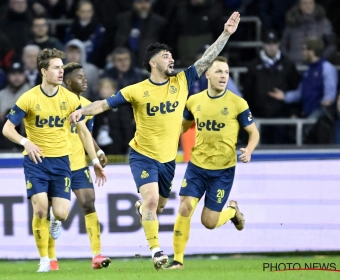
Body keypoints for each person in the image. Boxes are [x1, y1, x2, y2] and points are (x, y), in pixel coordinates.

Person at [69, 12, 241, 270]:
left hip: (168, 161)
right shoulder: (136, 90)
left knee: (156, 208)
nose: (171, 59)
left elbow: (206, 60)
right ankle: (157, 252)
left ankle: (146, 212)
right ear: (152, 63)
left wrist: (226, 34)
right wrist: (82, 110)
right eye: (165, 56)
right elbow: (104, 104)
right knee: (150, 202)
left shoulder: (182, 81)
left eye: (171, 56)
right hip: (142, 155)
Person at [2, 48, 107, 273]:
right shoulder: (28, 98)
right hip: (36, 161)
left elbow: (84, 133)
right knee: (40, 207)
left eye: (62, 67)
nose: (61, 72)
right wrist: (25, 143)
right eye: (57, 68)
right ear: (43, 71)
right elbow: (7, 128)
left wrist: (95, 160)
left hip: (62, 162)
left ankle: (56, 222)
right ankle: (44, 261)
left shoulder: (70, 99)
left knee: (60, 213)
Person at [165, 56, 260, 270]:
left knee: (209, 222)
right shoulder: (194, 100)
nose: (223, 76)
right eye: (218, 72)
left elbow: (253, 133)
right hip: (197, 167)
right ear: (207, 74)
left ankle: (233, 212)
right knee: (185, 208)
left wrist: (249, 150)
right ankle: (178, 260)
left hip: (222, 171)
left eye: (226, 72)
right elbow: (183, 126)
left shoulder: (238, 103)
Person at [47, 62, 111, 270]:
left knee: (89, 203)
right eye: (80, 77)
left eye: (85, 76)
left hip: (78, 164)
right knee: (54, 212)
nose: (85, 80)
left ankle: (96, 255)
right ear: (67, 81)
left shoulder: (87, 106)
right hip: (56, 164)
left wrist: (98, 152)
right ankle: (51, 258)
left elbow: (85, 134)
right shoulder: (53, 103)